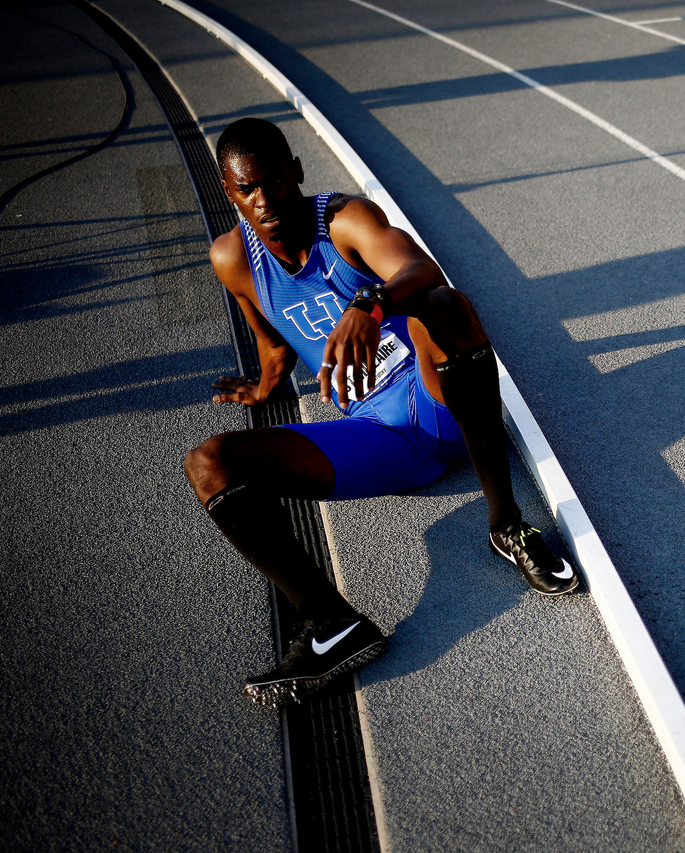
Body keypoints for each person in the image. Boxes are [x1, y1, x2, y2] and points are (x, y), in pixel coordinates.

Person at [184, 118, 578, 710]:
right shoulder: (232, 258)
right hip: (371, 433)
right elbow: (271, 340)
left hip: (439, 399)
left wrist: (369, 304)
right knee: (208, 462)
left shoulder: (345, 220)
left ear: (295, 170)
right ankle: (331, 625)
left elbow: (421, 270)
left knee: (441, 305)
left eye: (273, 181)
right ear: (228, 190)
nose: (263, 201)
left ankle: (506, 523)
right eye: (247, 189)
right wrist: (265, 387)